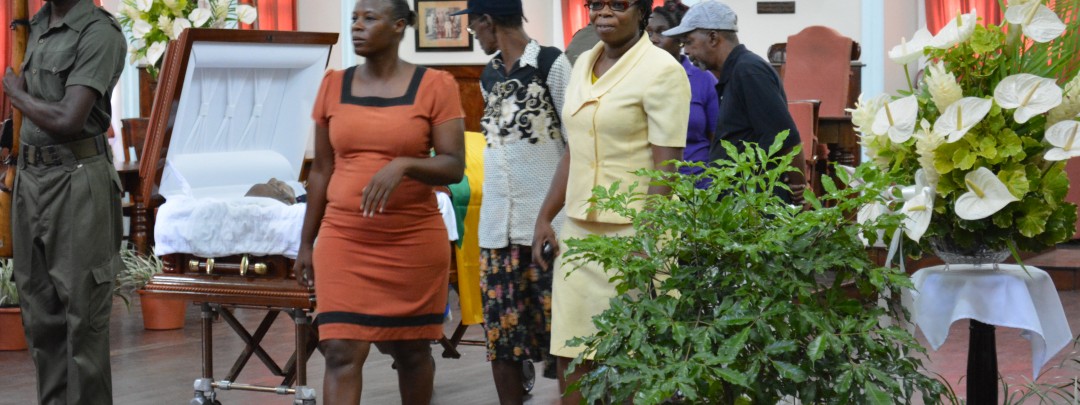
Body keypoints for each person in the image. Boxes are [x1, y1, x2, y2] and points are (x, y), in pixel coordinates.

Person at [292, 0, 466, 403]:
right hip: (344, 238)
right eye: (354, 18)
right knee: (339, 350)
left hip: (411, 240)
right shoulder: (333, 85)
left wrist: (404, 165)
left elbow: (454, 165)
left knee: (411, 351)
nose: (357, 26)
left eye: (369, 18)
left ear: (399, 26)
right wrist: (305, 243)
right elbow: (321, 170)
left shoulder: (436, 86)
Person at [531, 0, 690, 403]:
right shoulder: (583, 62)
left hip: (636, 235)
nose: (603, 13)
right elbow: (574, 150)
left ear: (641, 11)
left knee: (633, 357)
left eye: (617, 5)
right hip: (580, 234)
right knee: (570, 350)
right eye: (596, 4)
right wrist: (545, 216)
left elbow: (667, 166)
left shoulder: (662, 70)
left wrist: (649, 239)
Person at [1, 0, 126, 403]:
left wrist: (15, 95)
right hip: (30, 179)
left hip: (77, 180)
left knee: (83, 321)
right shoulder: (33, 26)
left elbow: (69, 118)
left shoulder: (99, 32)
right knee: (40, 320)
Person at [454, 0, 571, 403]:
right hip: (496, 232)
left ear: (488, 21)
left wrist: (549, 216)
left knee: (566, 340)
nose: (474, 35)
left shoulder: (551, 64)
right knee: (501, 341)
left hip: (547, 229)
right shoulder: (488, 75)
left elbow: (577, 145)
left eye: (473, 26)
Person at [663, 0, 808, 204]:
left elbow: (786, 137)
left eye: (689, 41)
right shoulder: (734, 72)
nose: (686, 51)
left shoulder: (748, 71)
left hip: (758, 205)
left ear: (713, 37)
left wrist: (799, 190)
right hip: (742, 202)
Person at [645, 0, 719, 187]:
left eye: (661, 32)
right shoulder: (636, 78)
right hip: (651, 182)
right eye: (648, 32)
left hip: (698, 185)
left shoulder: (704, 79)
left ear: (679, 39)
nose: (653, 39)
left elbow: (717, 139)